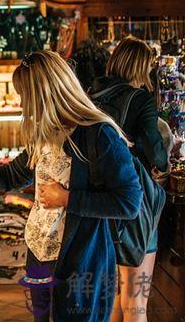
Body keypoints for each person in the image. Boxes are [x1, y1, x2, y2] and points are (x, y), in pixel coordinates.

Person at [0, 50, 142, 322]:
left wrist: (68, 199)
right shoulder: (46, 130)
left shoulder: (99, 134)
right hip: (39, 254)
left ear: (44, 95)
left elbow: (129, 203)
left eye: (26, 97)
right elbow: (16, 173)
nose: (23, 104)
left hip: (80, 261)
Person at [89, 37, 169, 322]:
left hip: (98, 201)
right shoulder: (140, 100)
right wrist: (164, 167)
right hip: (135, 201)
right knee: (136, 302)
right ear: (141, 67)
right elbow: (155, 149)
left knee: (114, 297)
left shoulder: (93, 95)